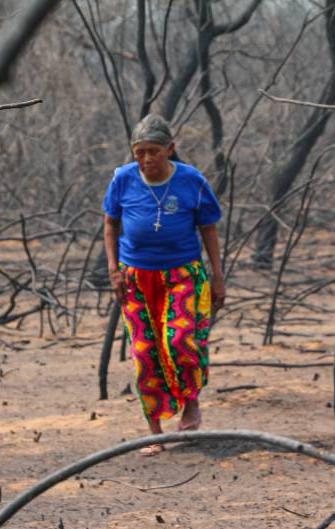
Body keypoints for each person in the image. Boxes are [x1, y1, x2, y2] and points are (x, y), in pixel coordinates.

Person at [102, 114, 226, 456]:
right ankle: (154, 431)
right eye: (140, 152)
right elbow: (111, 224)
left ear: (170, 149)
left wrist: (218, 275)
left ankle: (190, 403)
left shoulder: (191, 181)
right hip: (136, 279)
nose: (146, 159)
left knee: (182, 341)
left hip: (183, 275)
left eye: (154, 151)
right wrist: (113, 269)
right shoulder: (123, 180)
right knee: (144, 352)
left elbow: (209, 228)